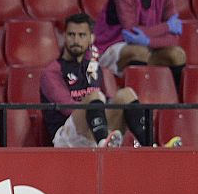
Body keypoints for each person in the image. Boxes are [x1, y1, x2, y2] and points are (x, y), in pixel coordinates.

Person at [41, 12, 179, 148]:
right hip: (66, 138)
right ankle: (103, 144)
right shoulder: (52, 71)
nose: (76, 40)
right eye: (71, 34)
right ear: (64, 36)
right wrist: (95, 104)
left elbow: (107, 101)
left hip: (94, 129)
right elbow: (68, 109)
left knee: (125, 95)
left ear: (91, 38)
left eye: (81, 35)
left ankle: (150, 147)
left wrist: (104, 111)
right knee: (94, 97)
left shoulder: (94, 67)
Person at [94, 0, 186, 88]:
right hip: (111, 46)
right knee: (139, 52)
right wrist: (167, 27)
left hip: (149, 46)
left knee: (177, 54)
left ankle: (171, 97)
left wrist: (149, 41)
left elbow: (174, 37)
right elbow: (131, 32)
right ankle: (136, 98)